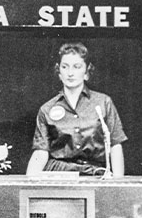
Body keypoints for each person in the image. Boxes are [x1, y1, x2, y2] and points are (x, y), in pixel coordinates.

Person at [26, 42, 127, 177]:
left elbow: (115, 145)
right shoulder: (46, 109)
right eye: (65, 67)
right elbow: (41, 152)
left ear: (86, 72)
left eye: (77, 67)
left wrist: (117, 185)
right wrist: (28, 182)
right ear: (59, 72)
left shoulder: (104, 102)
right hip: (59, 177)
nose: (70, 73)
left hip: (95, 175)